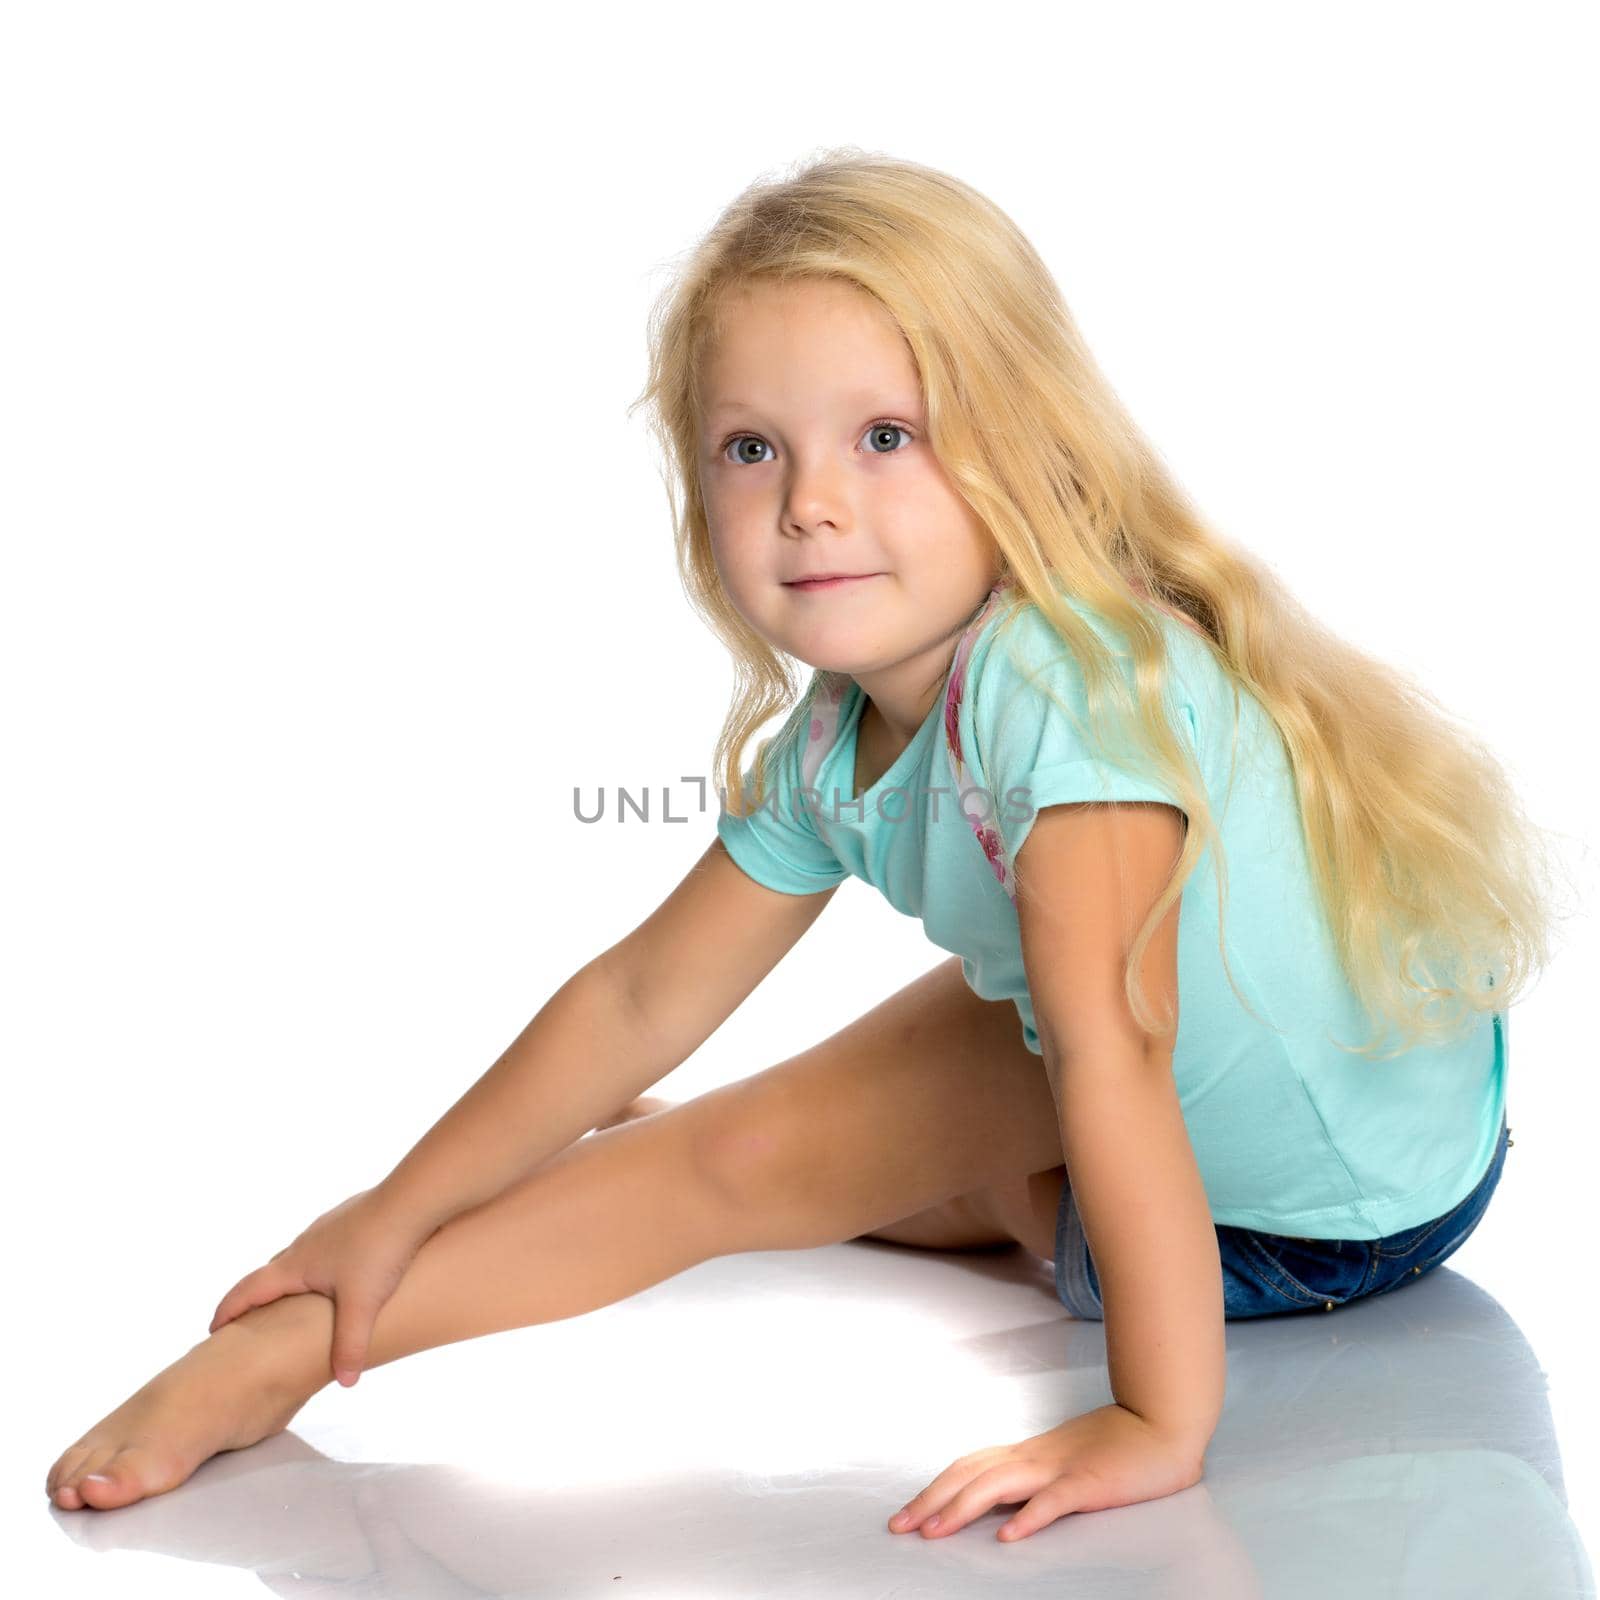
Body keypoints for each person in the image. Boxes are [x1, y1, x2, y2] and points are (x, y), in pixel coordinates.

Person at [44, 149, 1562, 1543]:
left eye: (886, 436)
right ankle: (301, 1342)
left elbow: (1120, 1049)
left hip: (1339, 1210)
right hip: (1160, 1068)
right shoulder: (836, 741)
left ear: (1022, 451)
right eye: (752, 448)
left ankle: (982, 1201)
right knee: (752, 1149)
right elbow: (637, 997)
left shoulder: (1073, 685)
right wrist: (393, 1209)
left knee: (807, 1160)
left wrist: (1158, 1420)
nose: (813, 503)